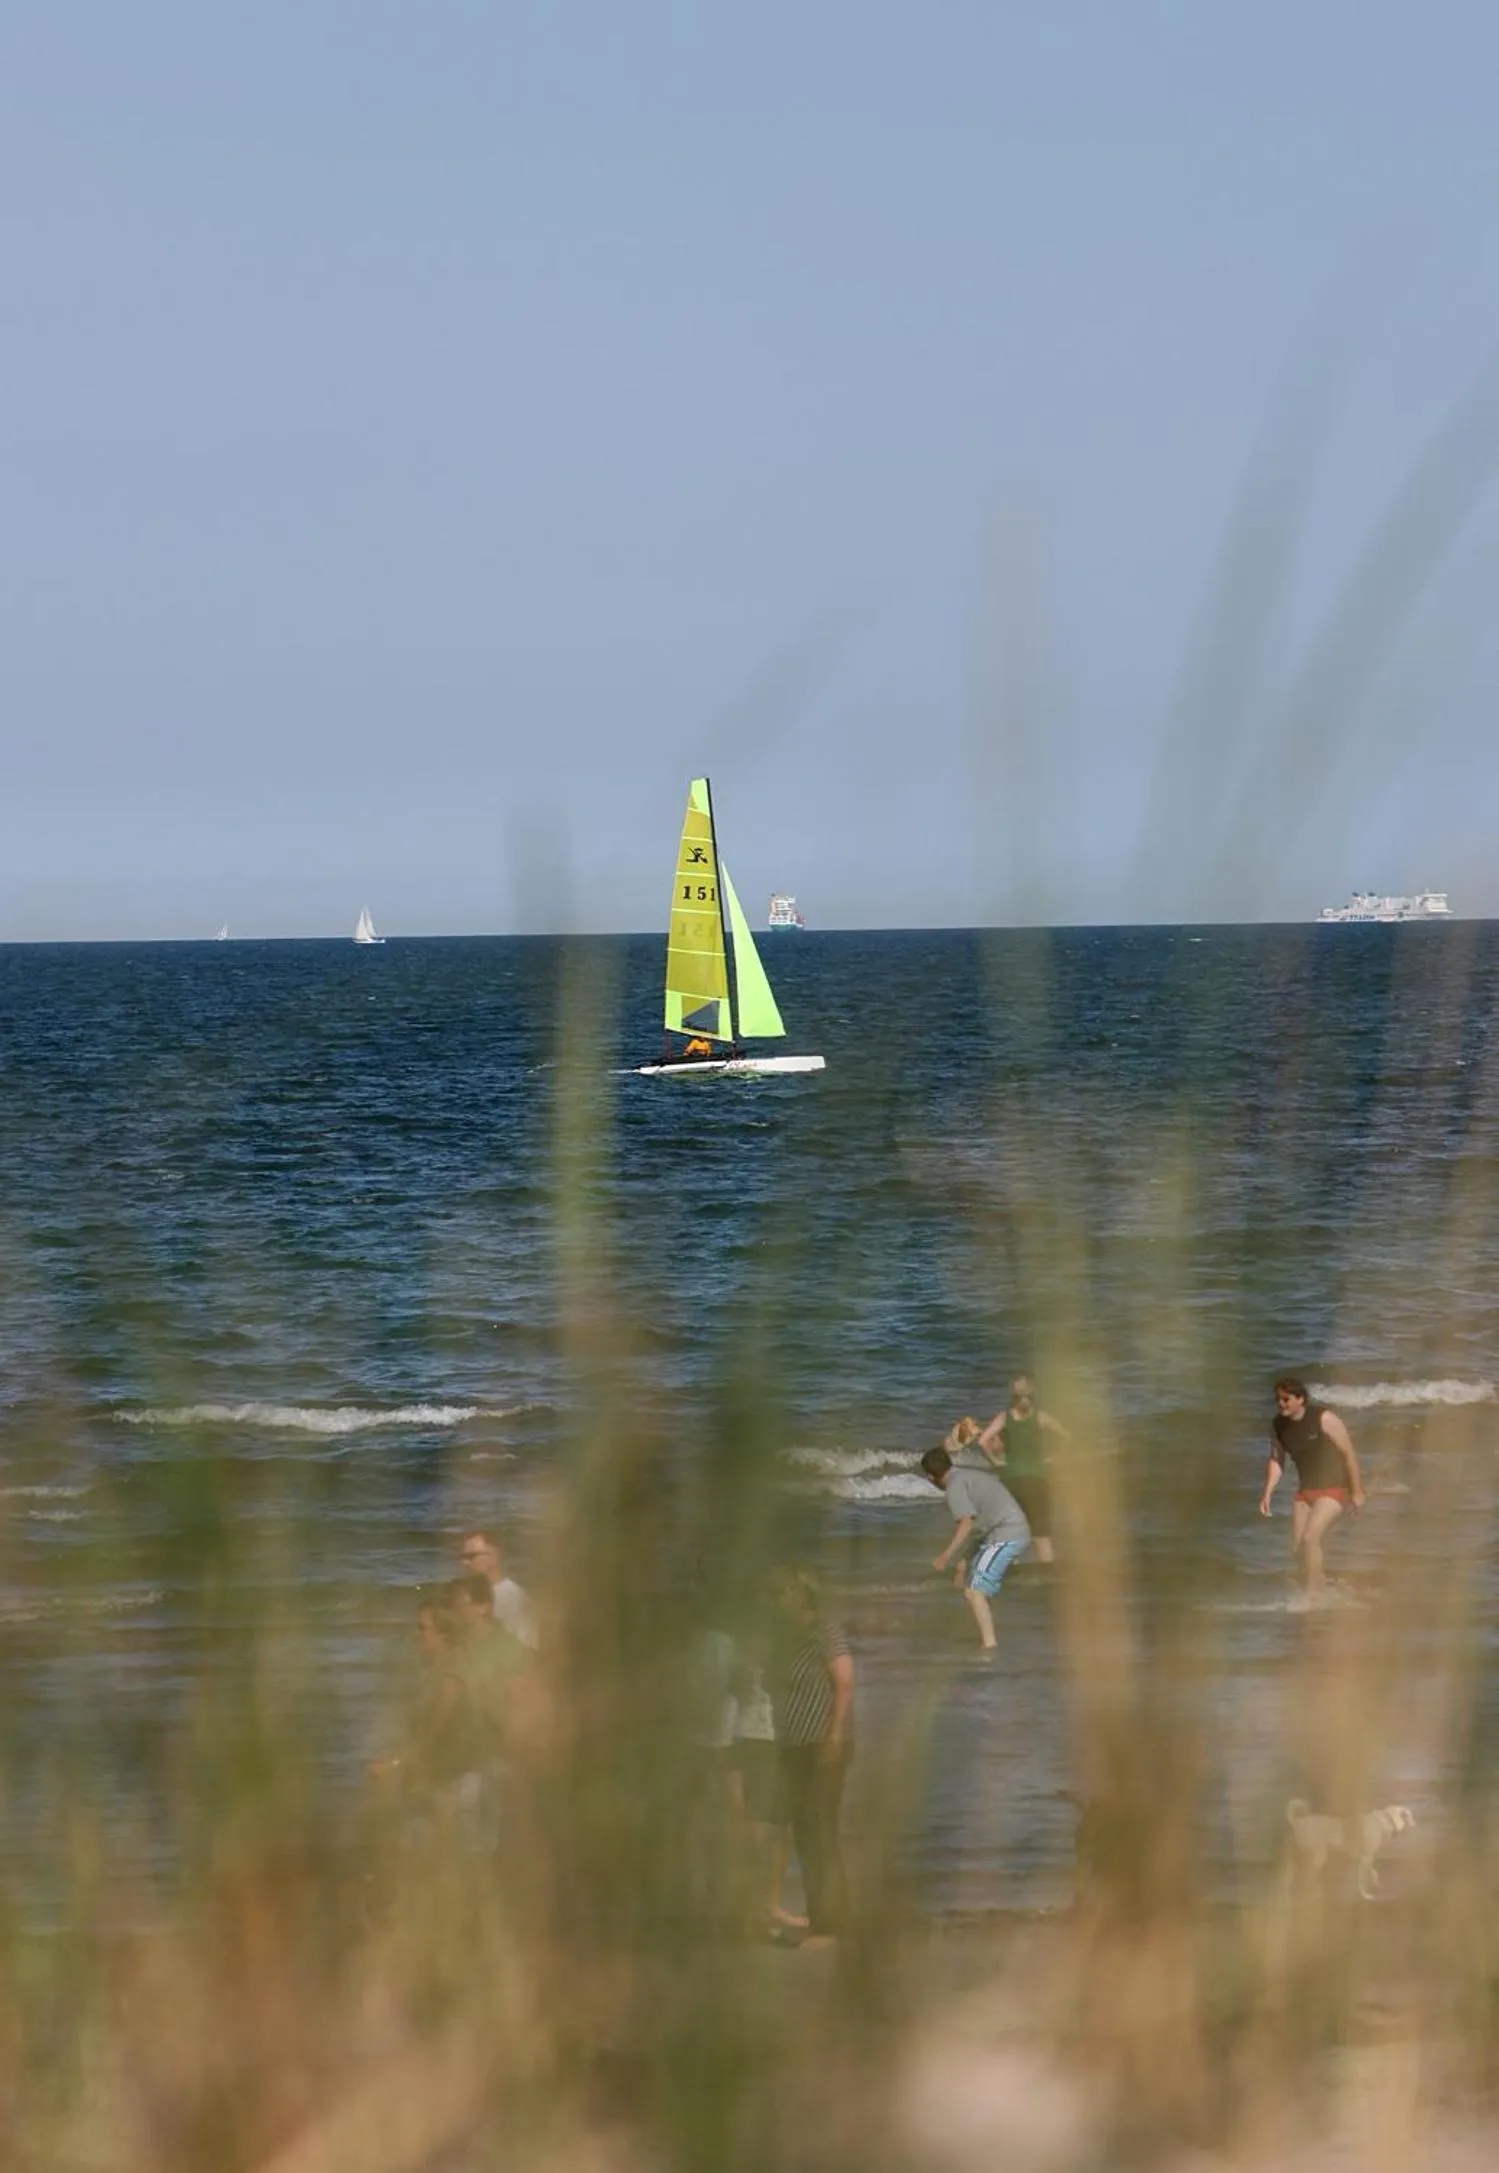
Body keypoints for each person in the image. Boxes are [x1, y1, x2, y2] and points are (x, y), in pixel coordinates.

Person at [765, 1569, 854, 1948]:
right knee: (804, 1834)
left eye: (780, 1593)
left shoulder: (825, 1631)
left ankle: (832, 1927)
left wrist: (833, 1735)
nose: (773, 1601)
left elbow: (845, 1681)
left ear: (801, 1596)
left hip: (823, 1744)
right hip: (793, 1746)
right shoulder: (784, 1637)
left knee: (819, 1832)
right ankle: (824, 1920)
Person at [1260, 1377, 1365, 1599]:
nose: (1281, 1404)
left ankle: (1314, 1593)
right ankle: (1323, 1584)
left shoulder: (1324, 1418)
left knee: (1310, 1538)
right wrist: (1267, 1493)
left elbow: (1349, 1454)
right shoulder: (1277, 1425)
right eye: (1278, 1399)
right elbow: (1276, 1460)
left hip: (1335, 1487)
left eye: (1286, 1399)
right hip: (1306, 1491)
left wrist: (1357, 1492)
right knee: (1298, 1549)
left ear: (1301, 1399)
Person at [921, 1442, 1030, 1651]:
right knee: (976, 1586)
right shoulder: (966, 1476)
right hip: (1008, 1530)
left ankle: (989, 1646)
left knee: (974, 1592)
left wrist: (946, 1556)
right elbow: (980, 1524)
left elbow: (967, 1522)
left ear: (930, 1477)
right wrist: (963, 1561)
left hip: (1007, 1533)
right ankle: (990, 1635)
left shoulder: (955, 1487)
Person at [728, 1649, 802, 1939]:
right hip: (753, 1745)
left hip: (779, 1743)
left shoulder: (781, 1655)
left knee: (781, 1833)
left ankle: (769, 1906)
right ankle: (755, 1912)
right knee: (757, 1833)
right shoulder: (741, 1661)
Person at [978, 1375, 1067, 1564]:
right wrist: (1054, 1458)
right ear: (1033, 1393)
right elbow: (1067, 1437)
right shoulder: (1041, 1417)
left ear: (1012, 1394)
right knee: (1042, 1535)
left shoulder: (1004, 1418)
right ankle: (1049, 1574)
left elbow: (982, 1441)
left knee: (1011, 1531)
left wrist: (995, 1461)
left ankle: (1011, 1572)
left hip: (1011, 1481)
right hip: (1037, 1480)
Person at [459, 1529, 539, 1648]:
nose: (464, 1562)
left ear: (494, 1556)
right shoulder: (499, 1592)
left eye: (471, 1556)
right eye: (463, 1557)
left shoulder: (508, 1596)